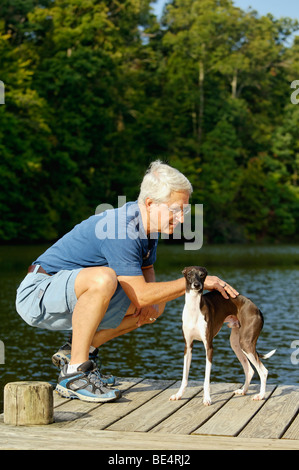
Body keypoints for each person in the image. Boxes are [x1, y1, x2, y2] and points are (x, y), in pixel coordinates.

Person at [15, 160, 239, 403]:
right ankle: (74, 374)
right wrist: (194, 284)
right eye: (175, 210)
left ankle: (77, 353)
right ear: (151, 203)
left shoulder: (148, 227)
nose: (181, 219)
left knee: (157, 305)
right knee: (106, 279)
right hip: (37, 293)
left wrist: (151, 305)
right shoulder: (121, 228)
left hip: (69, 293)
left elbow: (147, 269)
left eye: (183, 211)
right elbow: (141, 294)